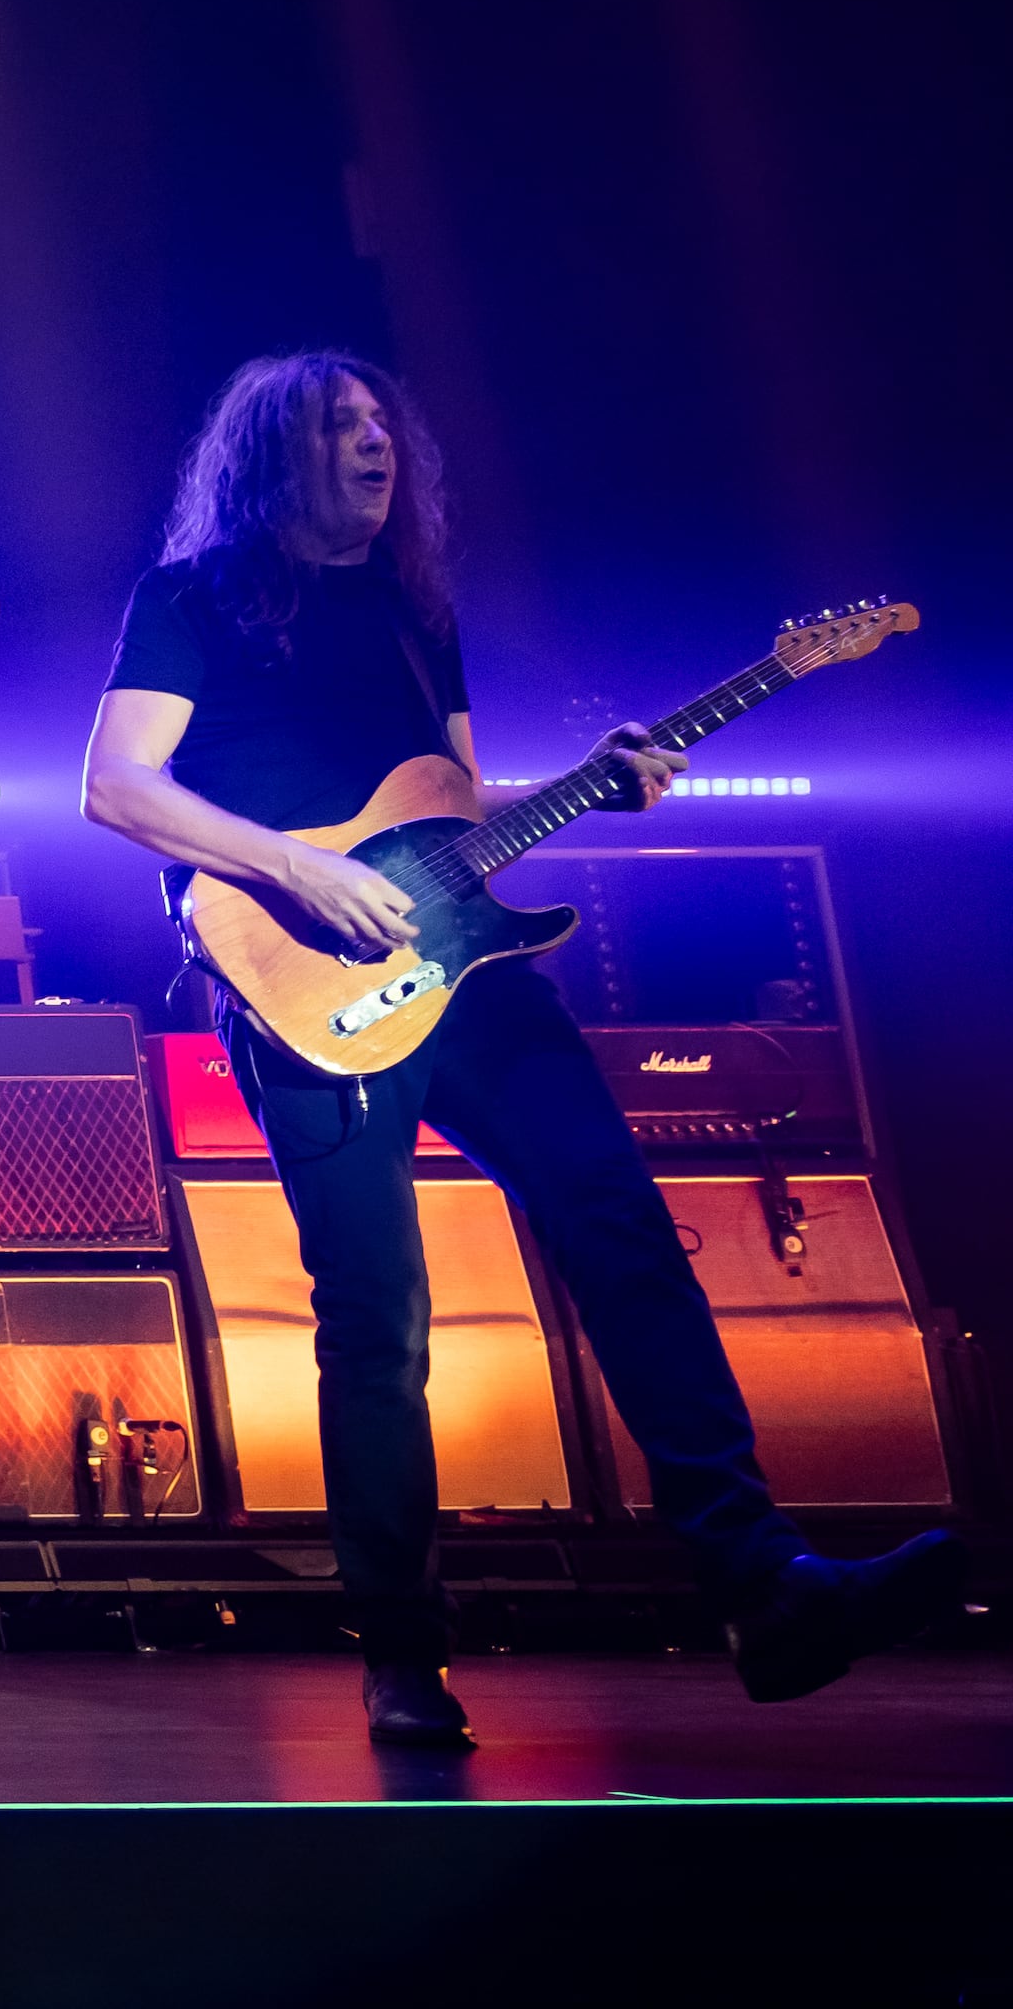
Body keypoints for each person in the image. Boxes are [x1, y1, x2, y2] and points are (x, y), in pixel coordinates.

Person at [82, 350, 964, 1749]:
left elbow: (455, 800)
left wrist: (595, 784)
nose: (378, 446)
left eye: (386, 425)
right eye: (343, 426)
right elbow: (116, 786)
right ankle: (404, 1655)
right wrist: (298, 877)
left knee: (620, 1223)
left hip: (471, 969)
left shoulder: (415, 612)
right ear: (274, 454)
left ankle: (762, 1581)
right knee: (380, 1321)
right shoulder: (190, 602)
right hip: (298, 979)